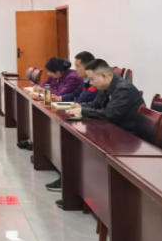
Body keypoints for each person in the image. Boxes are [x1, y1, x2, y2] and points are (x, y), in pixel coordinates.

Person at [33, 51, 97, 195]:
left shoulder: (79, 79)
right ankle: (66, 176)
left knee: (70, 139)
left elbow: (94, 104)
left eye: (78, 66)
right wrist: (61, 100)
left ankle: (72, 182)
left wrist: (78, 106)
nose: (75, 69)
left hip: (95, 122)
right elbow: (76, 95)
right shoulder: (87, 81)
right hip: (86, 114)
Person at [67, 59, 145, 132]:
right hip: (112, 129)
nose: (90, 83)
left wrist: (82, 111)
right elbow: (96, 104)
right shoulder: (104, 86)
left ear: (104, 76)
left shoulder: (124, 89)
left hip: (127, 134)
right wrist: (80, 106)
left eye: (92, 79)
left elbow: (110, 114)